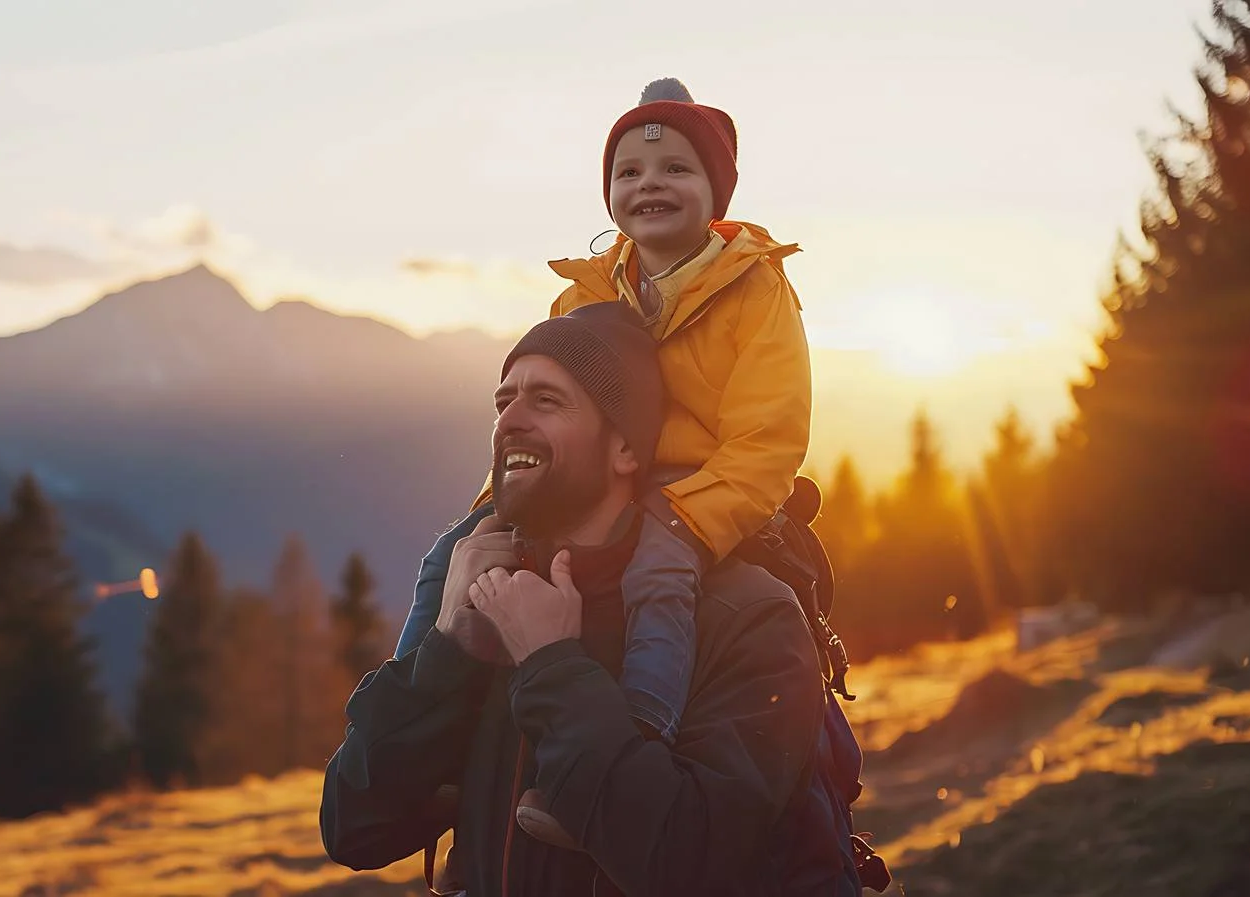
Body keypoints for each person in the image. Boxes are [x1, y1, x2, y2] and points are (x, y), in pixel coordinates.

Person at [393, 76, 814, 846]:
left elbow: (769, 436)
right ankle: (432, 758)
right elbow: (544, 411)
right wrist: (498, 503)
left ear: (716, 191)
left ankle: (640, 741)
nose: (650, 184)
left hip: (695, 488)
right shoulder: (589, 293)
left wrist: (689, 518)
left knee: (657, 573)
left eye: (677, 170)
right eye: (629, 172)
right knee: (448, 559)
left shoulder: (754, 289)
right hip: (598, 479)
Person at [322, 302, 855, 896]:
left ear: (626, 449)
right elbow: (353, 829)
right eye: (504, 401)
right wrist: (448, 649)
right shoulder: (483, 601)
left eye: (547, 401)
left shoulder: (745, 616)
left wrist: (551, 664)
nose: (511, 421)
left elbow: (689, 861)